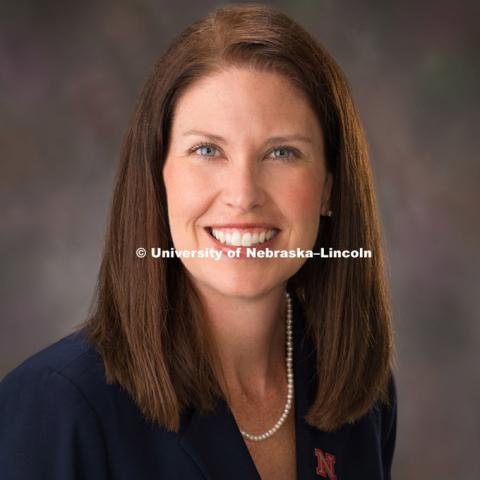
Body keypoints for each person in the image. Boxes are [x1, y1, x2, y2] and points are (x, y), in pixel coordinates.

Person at [0, 3, 397, 479]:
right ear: (158, 174)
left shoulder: (360, 395)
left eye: (282, 152)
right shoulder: (56, 406)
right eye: (207, 150)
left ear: (330, 186)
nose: (243, 195)